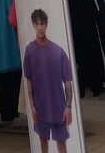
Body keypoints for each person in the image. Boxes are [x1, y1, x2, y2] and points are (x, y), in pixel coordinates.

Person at [23, 9, 73, 153]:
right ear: (33, 25)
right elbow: (29, 82)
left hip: (58, 107)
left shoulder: (58, 52)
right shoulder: (30, 51)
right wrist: (32, 106)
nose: (40, 27)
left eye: (42, 24)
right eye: (37, 24)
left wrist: (68, 107)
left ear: (46, 25)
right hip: (40, 107)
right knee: (43, 141)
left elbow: (68, 82)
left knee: (61, 144)